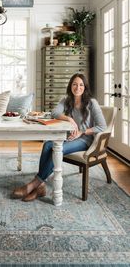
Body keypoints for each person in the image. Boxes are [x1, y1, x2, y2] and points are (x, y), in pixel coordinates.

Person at [12, 73, 107, 202]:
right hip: (68, 136)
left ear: (85, 87)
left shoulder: (92, 103)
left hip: (84, 140)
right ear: (70, 86)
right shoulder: (67, 100)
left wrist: (81, 132)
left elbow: (102, 127)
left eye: (80, 85)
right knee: (47, 144)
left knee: (57, 149)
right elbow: (54, 112)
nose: (77, 87)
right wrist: (68, 118)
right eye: (74, 84)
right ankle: (41, 186)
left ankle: (33, 184)